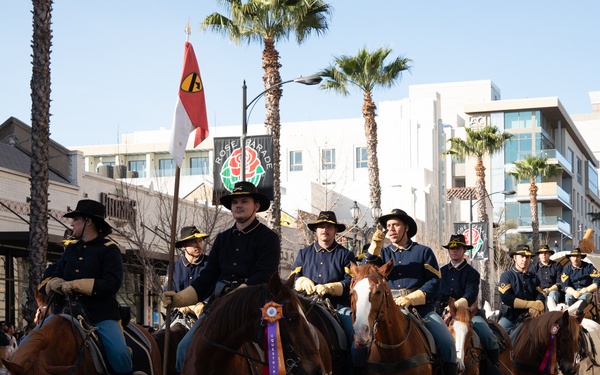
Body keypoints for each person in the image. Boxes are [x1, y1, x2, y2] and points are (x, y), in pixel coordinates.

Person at [162, 181, 281, 372]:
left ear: (256, 206)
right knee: (184, 349)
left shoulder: (268, 238)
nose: (238, 205)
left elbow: (264, 275)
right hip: (220, 307)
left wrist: (238, 297)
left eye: (244, 201)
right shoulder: (222, 238)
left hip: (255, 307)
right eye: (235, 202)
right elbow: (208, 277)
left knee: (278, 356)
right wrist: (180, 298)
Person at [362, 208, 458, 375]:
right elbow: (365, 269)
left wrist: (413, 298)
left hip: (421, 309)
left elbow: (435, 281)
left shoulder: (423, 252)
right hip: (387, 308)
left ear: (406, 227)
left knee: (447, 343)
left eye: (396, 225)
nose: (391, 229)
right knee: (359, 344)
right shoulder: (382, 253)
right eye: (388, 226)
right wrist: (375, 245)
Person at [44, 199, 133, 375]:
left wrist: (78, 285)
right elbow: (59, 272)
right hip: (68, 312)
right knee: (31, 339)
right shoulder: (71, 249)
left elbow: (112, 284)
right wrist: (54, 282)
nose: (72, 223)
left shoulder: (110, 250)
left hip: (100, 314)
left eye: (75, 219)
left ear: (88, 221)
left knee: (120, 355)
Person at [289, 211, 357, 367]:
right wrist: (301, 281)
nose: (324, 230)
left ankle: (356, 368)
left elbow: (351, 283)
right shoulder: (304, 253)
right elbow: (293, 277)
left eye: (328, 227)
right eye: (321, 227)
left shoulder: (346, 254)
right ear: (316, 230)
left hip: (337, 306)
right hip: (305, 303)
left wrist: (330, 288)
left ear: (335, 230)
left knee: (355, 336)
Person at [436, 234, 501, 374]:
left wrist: (454, 305)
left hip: (468, 312)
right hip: (445, 312)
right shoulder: (441, 272)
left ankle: (492, 367)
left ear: (464, 250)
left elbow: (470, 294)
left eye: (458, 247)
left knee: (488, 336)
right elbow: (437, 293)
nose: (454, 250)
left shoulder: (472, 273)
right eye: (451, 248)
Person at [497, 244, 545, 333]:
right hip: (511, 317)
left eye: (527, 257)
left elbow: (540, 294)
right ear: (515, 257)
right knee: (498, 334)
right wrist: (529, 304)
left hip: (532, 315)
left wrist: (538, 304)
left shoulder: (534, 277)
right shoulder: (506, 276)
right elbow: (506, 297)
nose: (525, 259)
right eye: (522, 256)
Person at [169, 225, 209, 318]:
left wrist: (203, 304)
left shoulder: (211, 264)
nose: (198, 245)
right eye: (193, 242)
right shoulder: (174, 268)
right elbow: (168, 293)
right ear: (184, 245)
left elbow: (215, 291)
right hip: (179, 316)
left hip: (205, 316)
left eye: (200, 241)